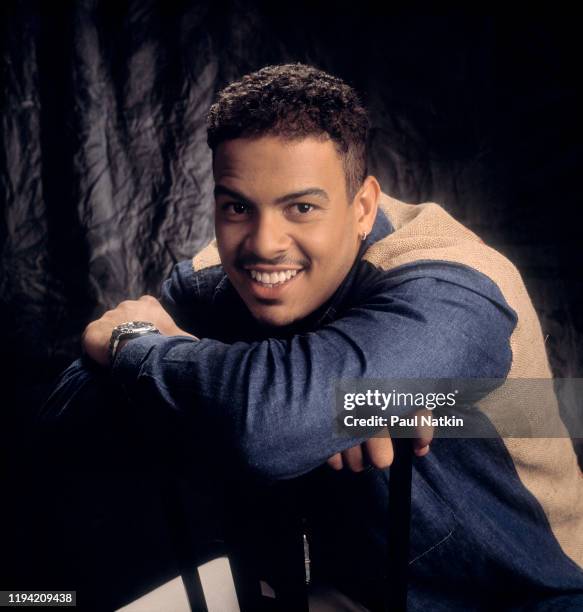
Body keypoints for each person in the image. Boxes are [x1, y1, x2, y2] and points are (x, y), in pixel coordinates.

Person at [46, 64, 583, 610]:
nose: (264, 245)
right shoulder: (216, 278)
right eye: (236, 207)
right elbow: (69, 415)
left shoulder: (454, 282)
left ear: (363, 207)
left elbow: (269, 424)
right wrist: (332, 403)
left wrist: (138, 347)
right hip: (343, 592)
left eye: (301, 208)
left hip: (526, 594)